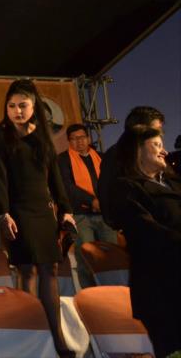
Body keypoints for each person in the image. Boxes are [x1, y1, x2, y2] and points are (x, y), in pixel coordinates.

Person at [0, 79, 75, 357]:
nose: (17, 111)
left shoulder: (41, 134)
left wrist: (66, 208)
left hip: (43, 212)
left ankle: (58, 337)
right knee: (27, 271)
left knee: (50, 271)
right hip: (17, 212)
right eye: (11, 106)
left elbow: (55, 175)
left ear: (34, 105)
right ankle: (30, 337)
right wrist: (4, 213)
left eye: (22, 105)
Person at [111, 126, 180, 357]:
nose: (164, 152)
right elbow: (146, 231)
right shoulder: (126, 188)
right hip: (162, 289)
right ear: (137, 151)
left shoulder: (174, 183)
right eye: (157, 145)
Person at [57, 123, 117, 287]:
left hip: (105, 215)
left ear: (88, 138)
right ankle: (90, 292)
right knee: (85, 256)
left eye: (82, 137)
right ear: (69, 141)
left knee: (111, 254)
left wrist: (104, 201)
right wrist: (92, 201)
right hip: (81, 215)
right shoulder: (62, 159)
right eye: (74, 139)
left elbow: (111, 182)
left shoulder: (101, 157)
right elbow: (67, 187)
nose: (79, 141)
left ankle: (115, 290)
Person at [98, 106, 165, 228]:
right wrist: (117, 224)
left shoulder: (153, 153)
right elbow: (106, 188)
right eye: (156, 129)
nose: (160, 134)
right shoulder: (116, 154)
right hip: (140, 227)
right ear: (139, 128)